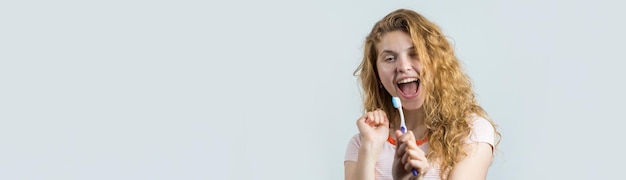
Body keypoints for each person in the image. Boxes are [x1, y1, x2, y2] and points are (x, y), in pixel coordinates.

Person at [344, 9, 501, 180]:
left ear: (437, 63)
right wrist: (369, 148)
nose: (403, 66)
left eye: (415, 54)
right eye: (390, 58)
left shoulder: (471, 132)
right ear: (377, 75)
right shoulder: (362, 144)